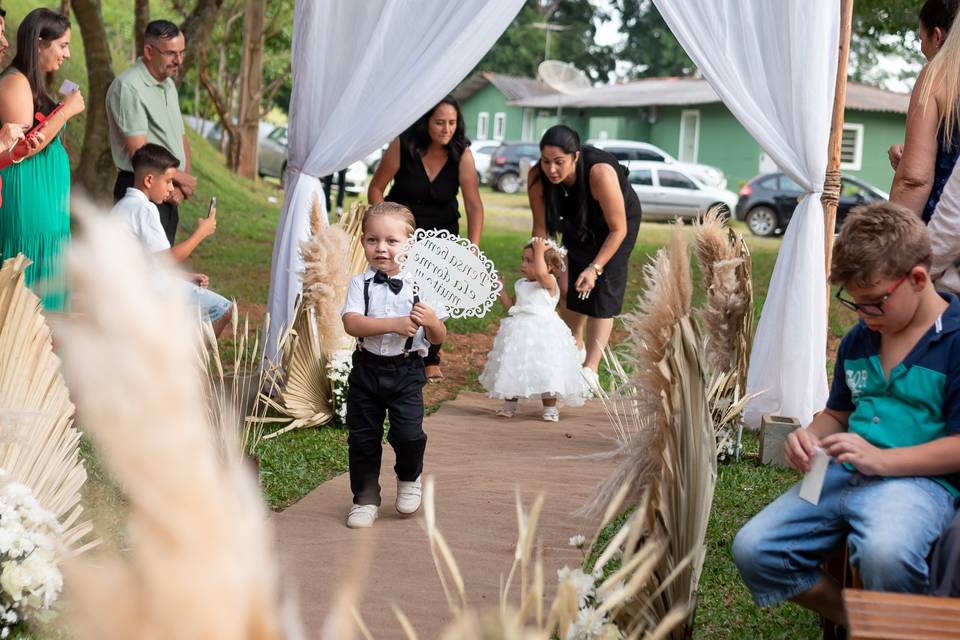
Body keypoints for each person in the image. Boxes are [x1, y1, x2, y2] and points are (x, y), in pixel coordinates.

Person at [732, 202, 960, 627]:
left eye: (874, 303)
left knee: (884, 553)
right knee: (754, 548)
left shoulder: (955, 341)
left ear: (917, 278)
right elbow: (837, 413)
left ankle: (897, 629)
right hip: (836, 474)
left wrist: (882, 460)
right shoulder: (862, 339)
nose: (864, 316)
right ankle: (861, 623)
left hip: (916, 485)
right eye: (855, 303)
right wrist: (810, 435)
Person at [339, 202, 448, 529]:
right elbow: (352, 323)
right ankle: (365, 499)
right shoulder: (361, 283)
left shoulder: (424, 285)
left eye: (391, 241)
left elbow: (439, 335)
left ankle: (409, 477)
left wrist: (430, 322)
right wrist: (394, 323)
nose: (381, 248)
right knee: (363, 438)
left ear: (409, 244)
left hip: (406, 371)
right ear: (362, 241)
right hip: (367, 370)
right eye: (373, 240)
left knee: (408, 434)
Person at [368, 95, 484, 383]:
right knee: (399, 289)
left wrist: (473, 245)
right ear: (426, 122)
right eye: (440, 122)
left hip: (442, 236)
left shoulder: (462, 154)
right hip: (401, 234)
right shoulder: (403, 143)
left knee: (435, 295)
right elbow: (376, 188)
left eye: (452, 123)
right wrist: (383, 225)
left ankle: (431, 355)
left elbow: (474, 205)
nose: (447, 129)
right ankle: (390, 343)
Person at [528, 125, 641, 391]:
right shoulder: (537, 176)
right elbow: (540, 229)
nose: (551, 169)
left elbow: (619, 229)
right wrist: (539, 264)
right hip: (575, 221)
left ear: (575, 157)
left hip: (615, 226)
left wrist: (595, 267)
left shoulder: (599, 173)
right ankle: (575, 346)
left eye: (559, 162)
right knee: (567, 287)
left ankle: (590, 369)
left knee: (602, 291)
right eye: (546, 161)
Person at [0, 8, 85, 311]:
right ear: (39, 43)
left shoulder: (33, 83)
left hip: (47, 210)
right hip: (28, 206)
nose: (67, 54)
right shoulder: (14, 82)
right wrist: (66, 111)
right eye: (62, 45)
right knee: (30, 291)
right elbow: (24, 147)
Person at [112, 143, 233, 337]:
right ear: (149, 180)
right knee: (224, 310)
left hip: (124, 287)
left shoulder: (122, 206)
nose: (171, 188)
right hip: (140, 291)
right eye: (168, 181)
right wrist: (201, 232)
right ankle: (190, 363)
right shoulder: (145, 209)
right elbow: (167, 259)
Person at [107, 19, 197, 246]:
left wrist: (179, 187)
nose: (178, 60)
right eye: (171, 54)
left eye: (182, 53)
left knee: (160, 273)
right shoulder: (129, 87)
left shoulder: (168, 85)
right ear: (148, 51)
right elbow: (139, 152)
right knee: (139, 274)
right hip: (142, 188)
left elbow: (181, 139)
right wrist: (181, 178)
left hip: (166, 189)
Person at [479, 237, 586, 422]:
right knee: (513, 365)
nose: (523, 264)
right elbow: (511, 307)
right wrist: (500, 289)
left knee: (547, 368)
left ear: (549, 267)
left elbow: (542, 275)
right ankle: (510, 403)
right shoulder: (521, 284)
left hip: (544, 333)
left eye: (530, 261)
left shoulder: (549, 282)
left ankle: (550, 408)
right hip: (519, 332)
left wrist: (539, 250)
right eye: (523, 259)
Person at [889, 0, 960, 220]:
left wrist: (890, 243)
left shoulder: (938, 76)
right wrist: (915, 151)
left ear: (937, 36)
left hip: (945, 234)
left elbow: (914, 179)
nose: (921, 48)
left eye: (921, 39)